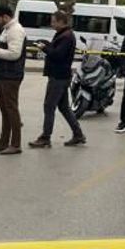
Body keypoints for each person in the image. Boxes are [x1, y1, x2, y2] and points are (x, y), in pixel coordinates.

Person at [30, 10, 86, 149]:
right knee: (64, 107)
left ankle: (45, 137)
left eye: (54, 21)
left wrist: (45, 48)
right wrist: (47, 45)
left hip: (58, 77)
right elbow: (57, 50)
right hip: (61, 76)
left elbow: (58, 55)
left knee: (49, 106)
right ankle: (78, 134)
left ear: (61, 22)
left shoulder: (66, 36)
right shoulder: (63, 34)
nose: (52, 24)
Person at [0, 4, 26, 154]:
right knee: (5, 108)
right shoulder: (7, 29)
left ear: (6, 17)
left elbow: (14, 54)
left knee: (11, 108)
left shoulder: (15, 30)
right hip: (4, 74)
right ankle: (3, 142)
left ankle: (15, 144)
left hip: (11, 75)